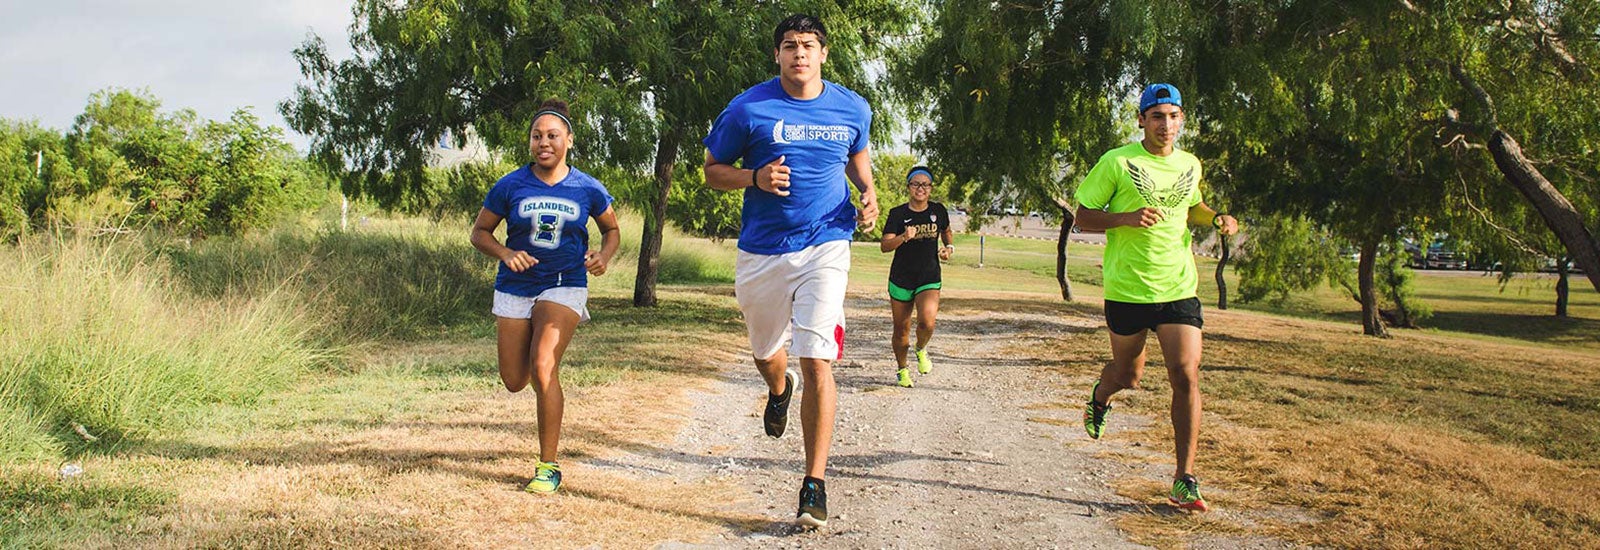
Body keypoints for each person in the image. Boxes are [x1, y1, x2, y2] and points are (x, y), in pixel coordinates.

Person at [702, 13, 878, 528]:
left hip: (827, 243)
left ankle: (814, 484)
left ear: (823, 53)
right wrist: (753, 176)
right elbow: (712, 170)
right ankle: (780, 391)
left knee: (817, 355)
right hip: (762, 251)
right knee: (767, 352)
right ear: (777, 55)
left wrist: (867, 192)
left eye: (808, 45)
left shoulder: (852, 107)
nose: (799, 53)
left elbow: (856, 154)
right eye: (789, 45)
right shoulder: (748, 107)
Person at [1072, 83, 1238, 512]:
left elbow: (1193, 206)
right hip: (1128, 288)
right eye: (1157, 116)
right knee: (1128, 376)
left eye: (1174, 116)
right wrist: (1126, 217)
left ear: (1182, 120)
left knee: (1185, 373)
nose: (1166, 124)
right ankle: (1100, 397)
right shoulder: (1117, 162)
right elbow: (1083, 217)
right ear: (1142, 120)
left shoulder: (1190, 164)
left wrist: (1215, 216)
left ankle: (1184, 478)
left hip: (1178, 286)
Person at [469, 99, 621, 495]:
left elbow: (612, 231)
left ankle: (548, 466)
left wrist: (602, 256)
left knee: (543, 367)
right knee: (515, 380)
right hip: (515, 286)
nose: (544, 142)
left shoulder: (587, 187)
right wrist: (505, 252)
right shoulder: (510, 185)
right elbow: (480, 232)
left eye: (553, 135)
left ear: (569, 140)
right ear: (530, 142)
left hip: (565, 281)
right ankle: (544, 433)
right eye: (537, 136)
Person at [879, 166, 953, 388]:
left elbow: (946, 231)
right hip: (901, 277)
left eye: (925, 184)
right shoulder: (898, 214)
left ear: (930, 188)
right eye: (915, 184)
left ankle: (921, 349)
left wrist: (949, 247)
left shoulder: (939, 210)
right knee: (901, 330)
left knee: (927, 322)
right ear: (909, 187)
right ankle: (902, 369)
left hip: (929, 275)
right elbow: (884, 246)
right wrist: (903, 236)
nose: (920, 188)